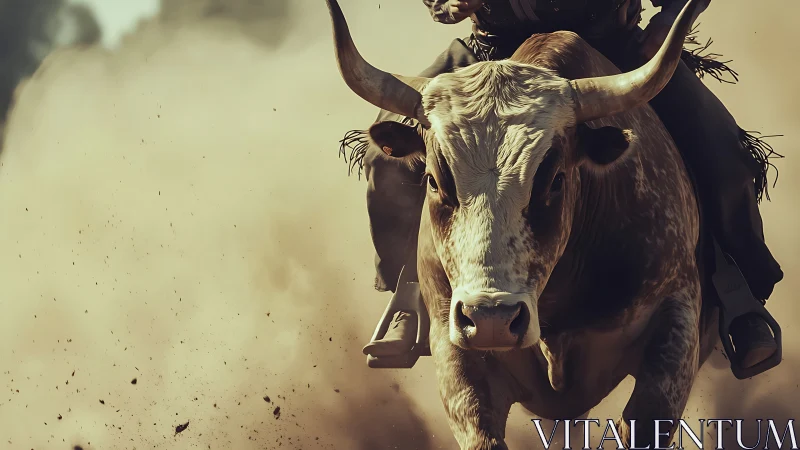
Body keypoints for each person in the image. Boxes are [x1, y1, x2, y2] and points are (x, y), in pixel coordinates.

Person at [343, 0, 783, 371]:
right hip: (494, 57)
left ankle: (737, 294)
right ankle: (411, 295)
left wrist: (667, 21)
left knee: (725, 157)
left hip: (613, 53)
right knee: (383, 161)